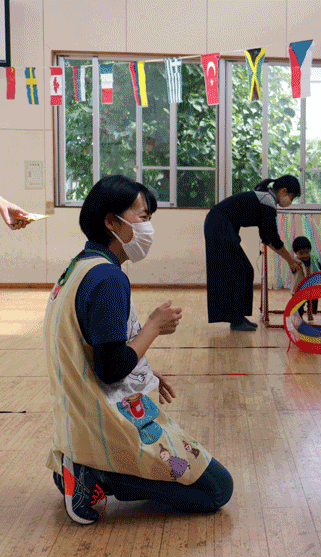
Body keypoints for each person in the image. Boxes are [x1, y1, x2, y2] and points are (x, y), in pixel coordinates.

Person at [44, 175, 233, 524]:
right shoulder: (109, 279)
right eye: (142, 216)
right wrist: (153, 327)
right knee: (217, 489)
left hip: (77, 422)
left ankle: (78, 467)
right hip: (106, 419)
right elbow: (111, 366)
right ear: (110, 221)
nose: (148, 227)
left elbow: (94, 346)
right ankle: (98, 475)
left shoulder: (80, 266)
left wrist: (142, 367)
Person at [204, 175, 304, 331]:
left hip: (221, 225)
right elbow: (272, 238)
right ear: (283, 191)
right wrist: (290, 260)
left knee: (245, 270)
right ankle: (236, 320)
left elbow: (267, 238)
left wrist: (289, 259)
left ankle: (238, 317)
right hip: (218, 225)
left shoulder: (266, 199)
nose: (290, 201)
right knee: (238, 271)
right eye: (291, 197)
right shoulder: (267, 201)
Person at [291, 235, 321, 322]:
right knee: (299, 304)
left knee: (313, 301)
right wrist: (296, 267)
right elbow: (293, 269)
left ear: (310, 250)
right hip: (299, 288)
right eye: (301, 253)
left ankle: (310, 313)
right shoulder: (295, 262)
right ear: (296, 253)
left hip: (311, 287)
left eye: (307, 252)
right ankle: (299, 316)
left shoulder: (313, 259)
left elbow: (320, 266)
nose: (304, 255)